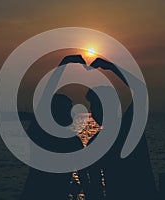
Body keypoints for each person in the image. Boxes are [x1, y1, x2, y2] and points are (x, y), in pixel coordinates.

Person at [21, 55, 157, 200]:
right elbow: (92, 185)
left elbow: (92, 186)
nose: (91, 112)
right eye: (67, 110)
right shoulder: (77, 142)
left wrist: (110, 66)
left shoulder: (125, 128)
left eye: (94, 106)